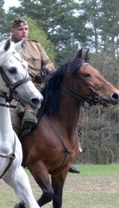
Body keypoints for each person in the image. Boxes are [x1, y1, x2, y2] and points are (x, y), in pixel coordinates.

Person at [8, 17, 81, 174]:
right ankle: (14, 157)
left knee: (65, 115)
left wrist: (48, 66)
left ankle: (66, 157)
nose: (24, 32)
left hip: (39, 90)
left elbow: (48, 63)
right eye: (20, 30)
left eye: (26, 29)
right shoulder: (7, 48)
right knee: (15, 122)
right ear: (12, 31)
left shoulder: (36, 46)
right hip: (16, 93)